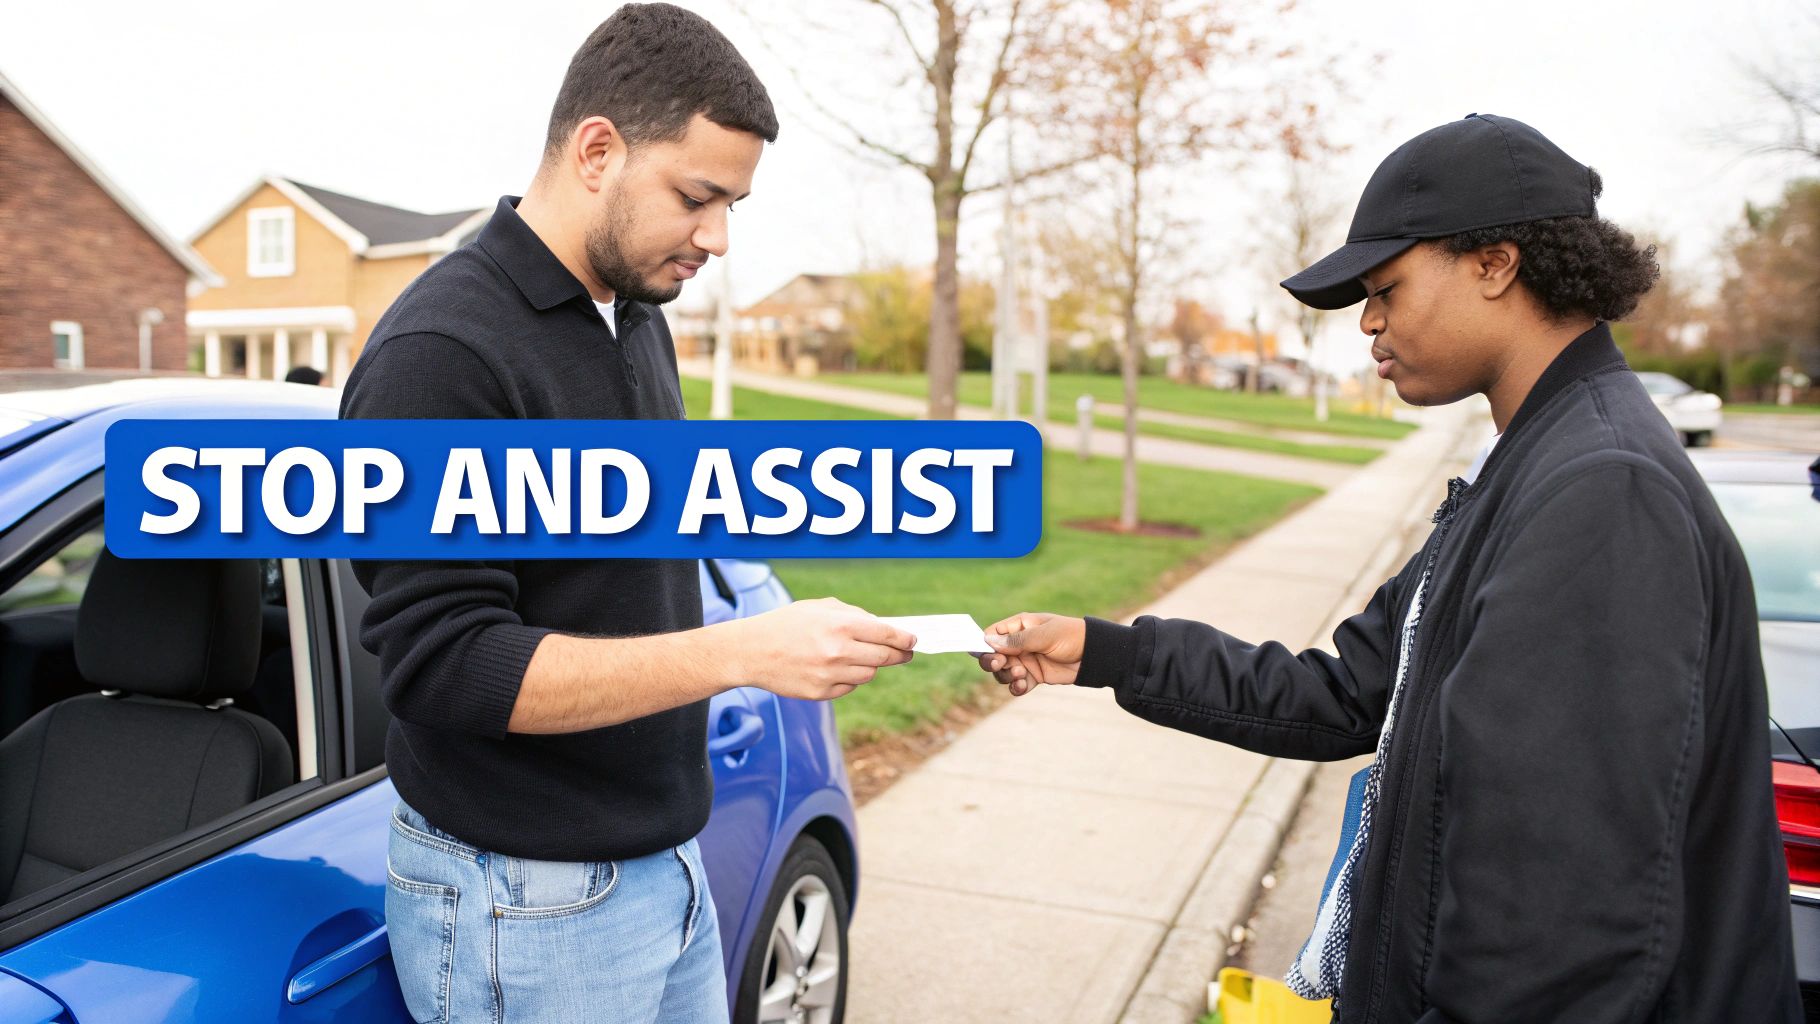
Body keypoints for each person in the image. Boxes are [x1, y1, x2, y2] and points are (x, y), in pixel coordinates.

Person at [979, 114, 1800, 1022]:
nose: (1369, 322)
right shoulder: (1533, 465)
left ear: (1496, 264)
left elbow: (1554, 925)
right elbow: (1345, 695)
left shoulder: (1603, 492)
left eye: (1387, 288)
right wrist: (1105, 653)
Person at [340, 6, 916, 1022]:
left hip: (668, 865)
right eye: (697, 197)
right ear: (597, 149)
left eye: (733, 203)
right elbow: (446, 665)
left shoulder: (635, 316)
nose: (719, 238)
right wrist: (740, 650)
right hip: (525, 903)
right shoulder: (442, 356)